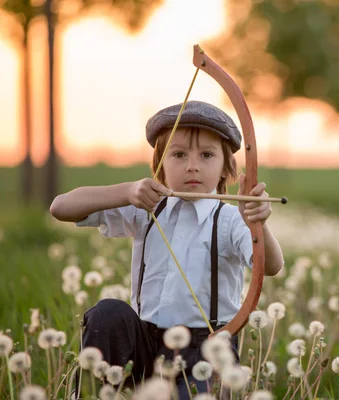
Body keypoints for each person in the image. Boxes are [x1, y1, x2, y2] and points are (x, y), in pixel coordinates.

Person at [50, 100, 284, 398]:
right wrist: (127, 191)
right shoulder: (146, 208)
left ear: (228, 168)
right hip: (144, 344)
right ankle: (92, 393)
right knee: (108, 312)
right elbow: (60, 208)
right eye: (179, 154)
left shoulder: (229, 218)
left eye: (207, 155)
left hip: (206, 349)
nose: (192, 165)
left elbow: (272, 266)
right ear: (159, 164)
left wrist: (257, 223)